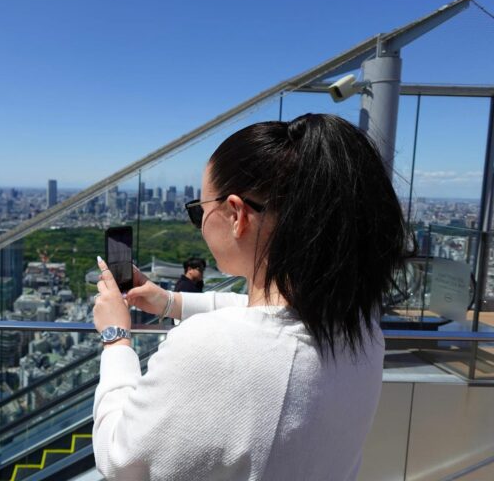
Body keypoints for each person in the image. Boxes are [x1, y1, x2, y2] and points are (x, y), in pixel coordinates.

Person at [91, 114, 409, 480]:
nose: (199, 224)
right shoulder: (361, 330)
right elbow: (270, 316)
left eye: (199, 211)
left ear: (237, 214)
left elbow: (119, 460)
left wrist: (115, 338)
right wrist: (169, 302)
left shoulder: (212, 347)